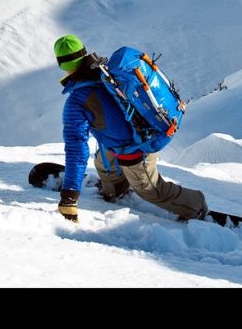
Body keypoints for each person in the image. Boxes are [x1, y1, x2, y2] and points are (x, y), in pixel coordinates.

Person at [53, 34, 208, 224]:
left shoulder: (77, 102)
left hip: (137, 148)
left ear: (62, 66)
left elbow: (76, 150)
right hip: (118, 144)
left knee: (151, 191)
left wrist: (69, 196)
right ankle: (116, 188)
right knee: (103, 163)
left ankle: (197, 205)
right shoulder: (106, 73)